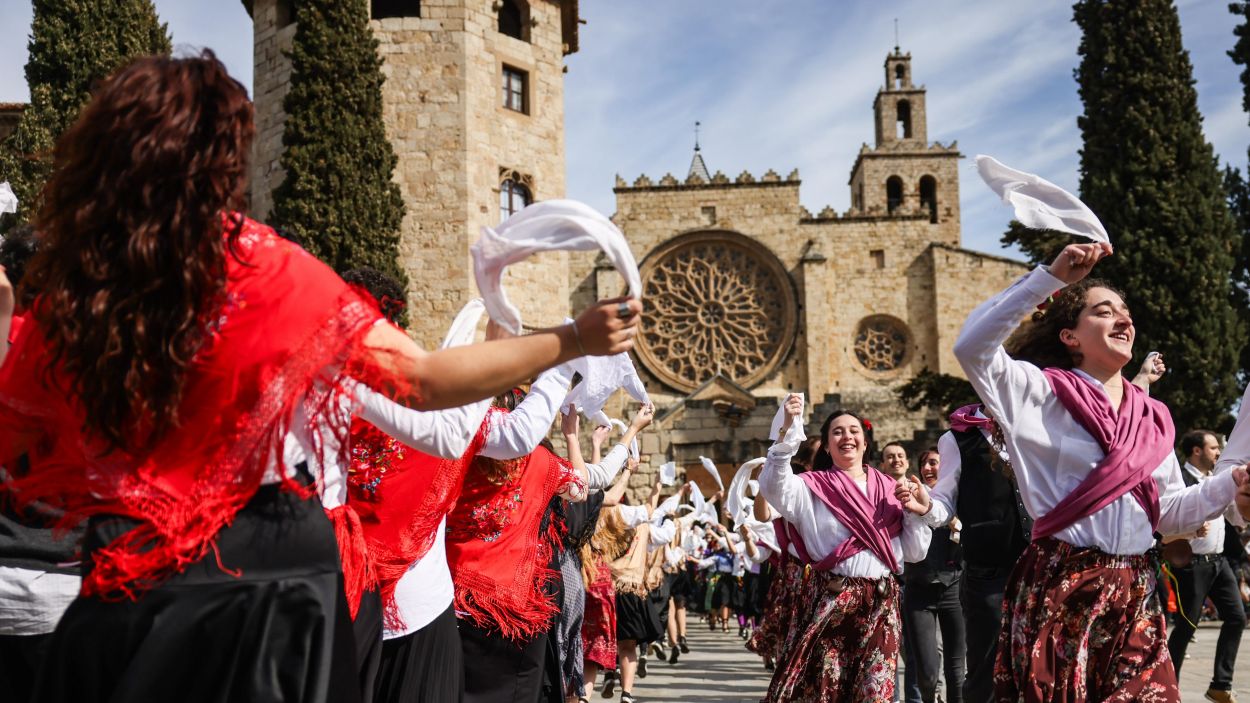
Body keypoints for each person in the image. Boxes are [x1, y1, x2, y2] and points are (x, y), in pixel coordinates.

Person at [0, 52, 642, 703]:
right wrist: (571, 340)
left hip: (122, 580)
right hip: (265, 591)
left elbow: (28, 434)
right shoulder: (262, 269)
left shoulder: (76, 293)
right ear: (223, 163)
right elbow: (421, 380)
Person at [940, 240, 1250, 701]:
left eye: (1125, 313)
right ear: (1069, 336)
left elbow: (1167, 515)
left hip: (1135, 591)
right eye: (1104, 312)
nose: (1124, 319)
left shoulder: (1152, 417)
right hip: (1062, 587)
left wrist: (1232, 482)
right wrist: (1049, 279)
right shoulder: (1038, 393)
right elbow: (973, 347)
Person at [760, 395, 931, 701]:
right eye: (837, 432)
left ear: (865, 442)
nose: (847, 436)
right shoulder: (810, 487)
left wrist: (916, 514)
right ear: (826, 446)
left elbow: (915, 552)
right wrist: (786, 431)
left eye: (854, 431)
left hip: (881, 601)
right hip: (833, 599)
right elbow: (773, 487)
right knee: (828, 689)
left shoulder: (891, 490)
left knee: (875, 692)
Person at [1169, 429, 1247, 702]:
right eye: (1213, 448)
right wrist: (1188, 527)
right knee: (1186, 628)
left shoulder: (1219, 478)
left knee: (1237, 617)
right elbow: (1166, 514)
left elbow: (1235, 517)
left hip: (1219, 561)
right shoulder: (1180, 478)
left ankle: (1220, 684)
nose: (1218, 452)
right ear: (1197, 451)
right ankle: (1169, 687)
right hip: (1191, 566)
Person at [900, 447, 965, 703]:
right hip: (918, 590)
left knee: (956, 670)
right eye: (924, 463)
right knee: (926, 673)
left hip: (954, 589)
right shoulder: (911, 498)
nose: (928, 468)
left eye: (934, 462)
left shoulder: (959, 499)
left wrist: (954, 522)